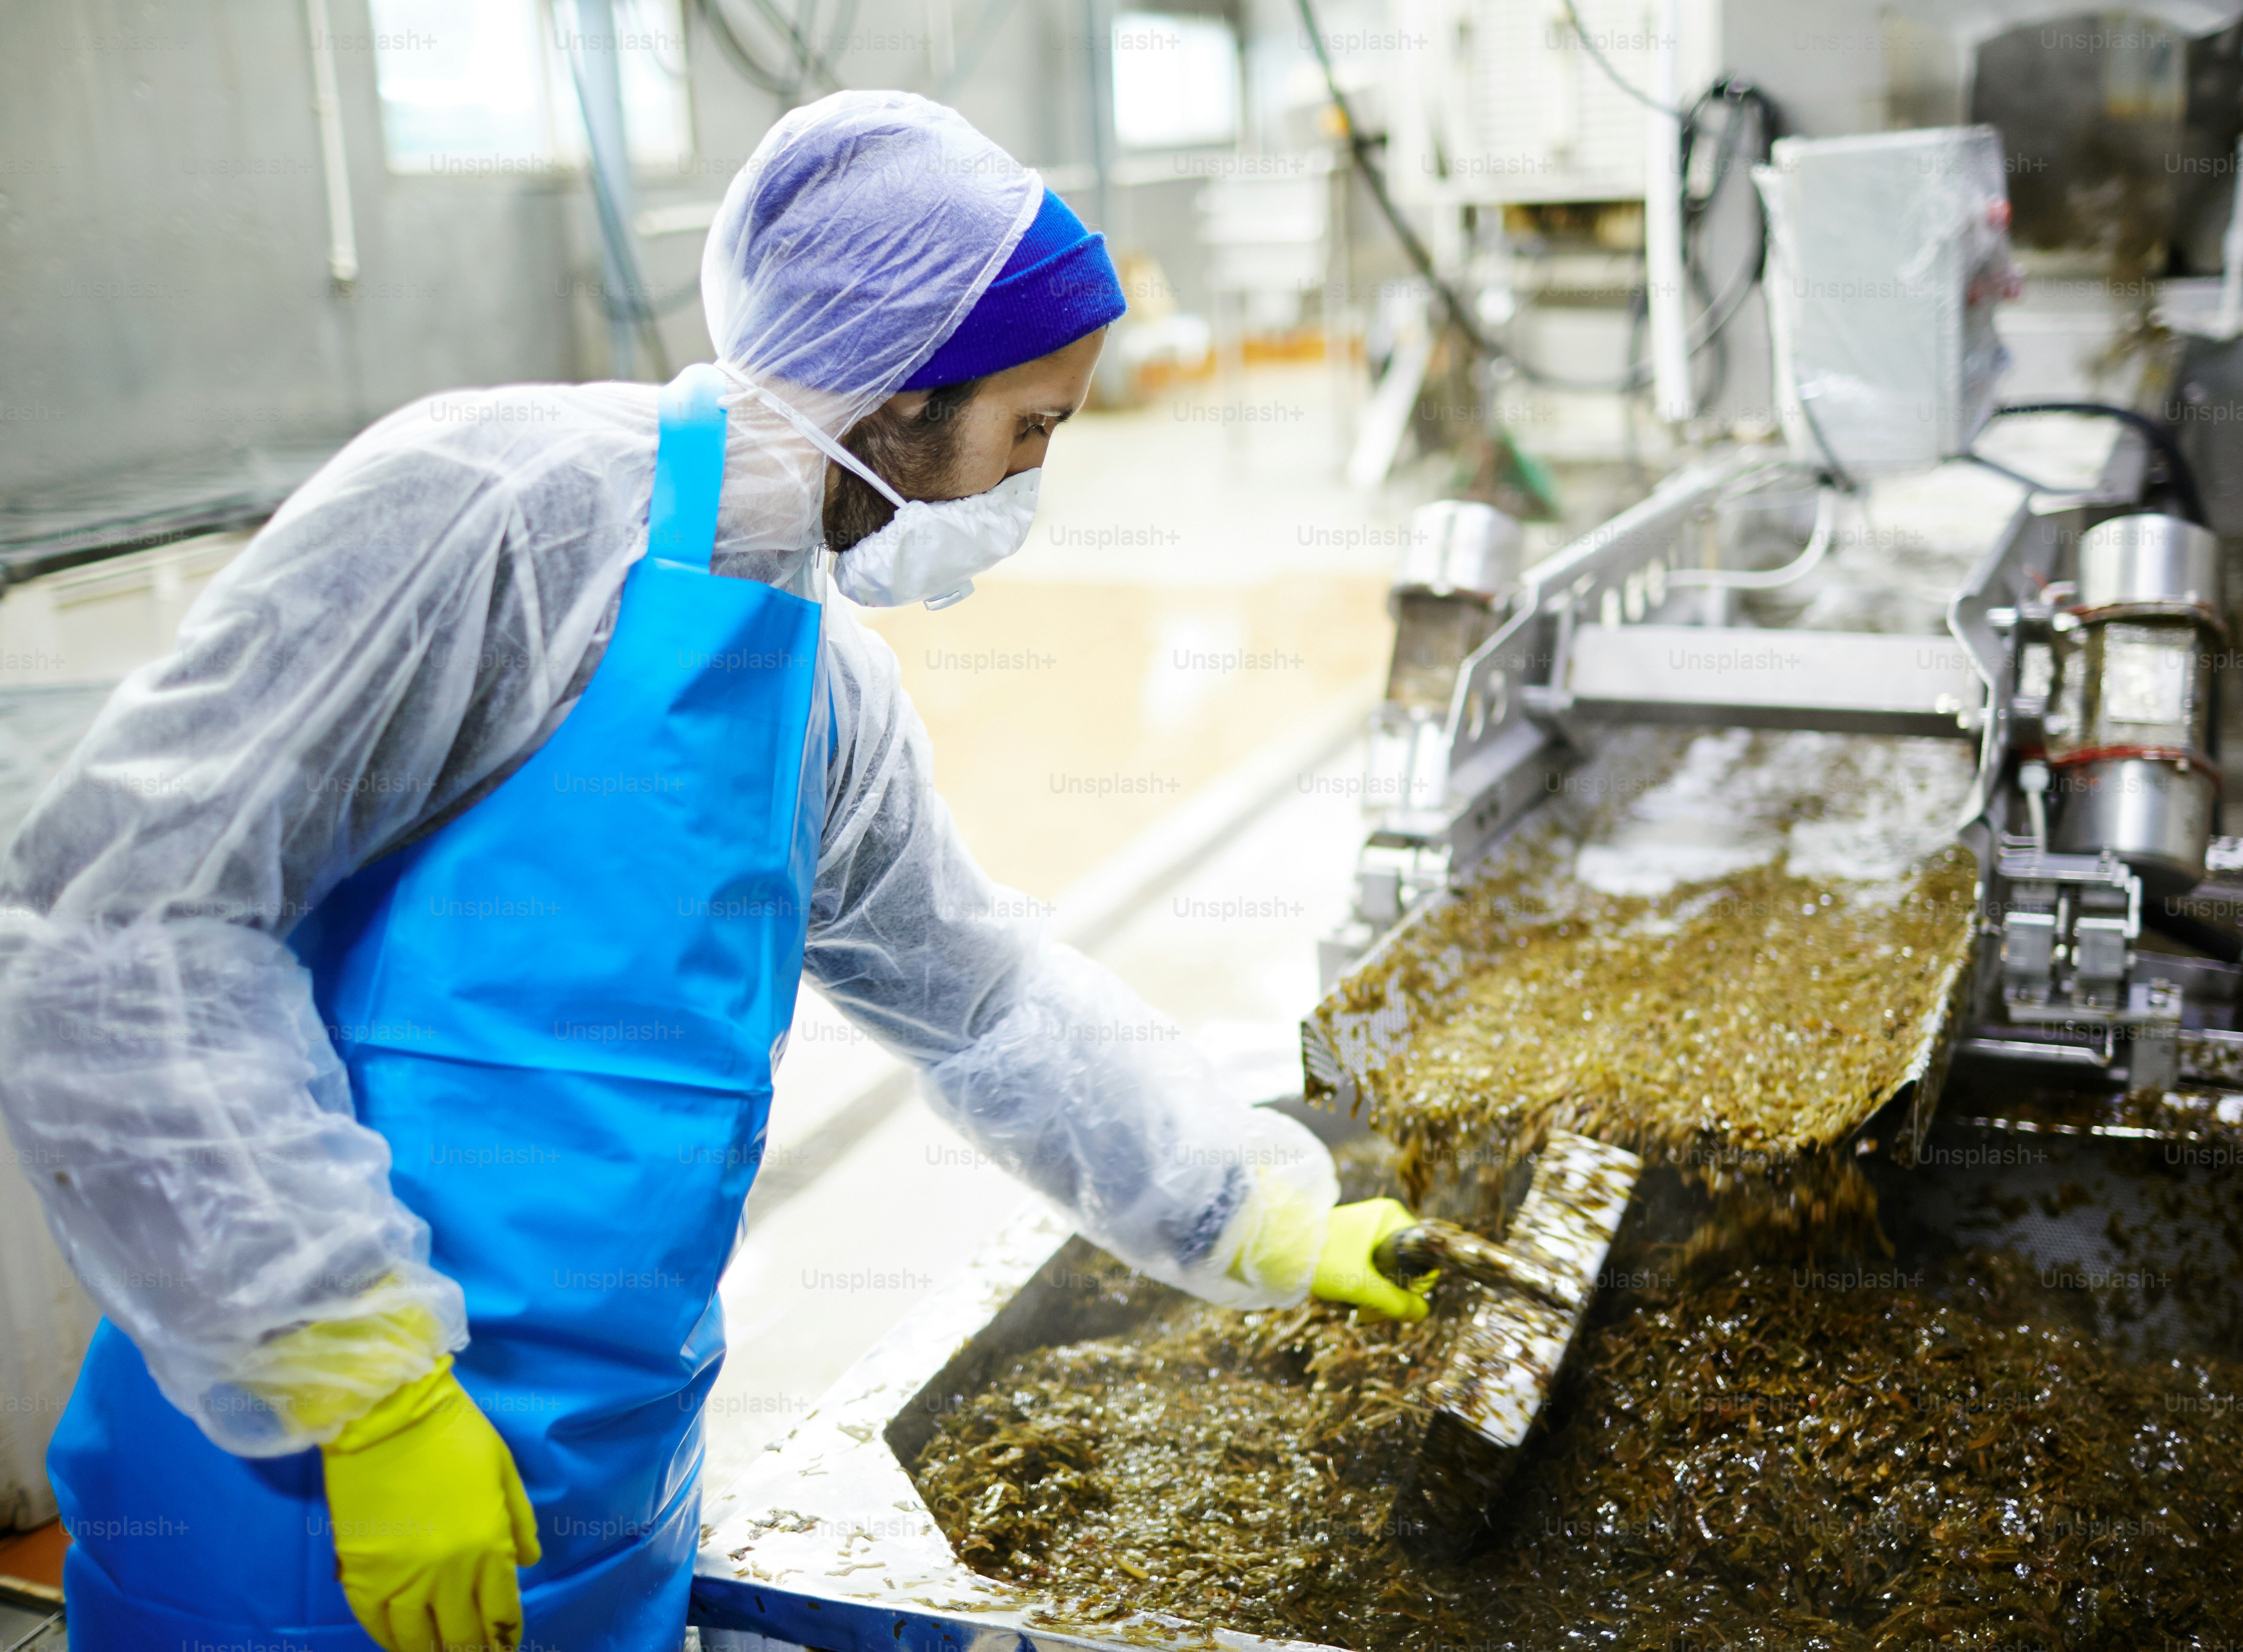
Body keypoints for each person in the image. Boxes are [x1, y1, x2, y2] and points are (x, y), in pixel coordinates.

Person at [0, 92, 1427, 1652]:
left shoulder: (823, 689)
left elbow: (986, 1004)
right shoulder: (502, 515)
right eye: (1033, 429)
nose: (1027, 487)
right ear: (897, 390)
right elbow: (116, 928)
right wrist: (357, 1371)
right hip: (301, 1508)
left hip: (602, 1521)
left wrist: (1252, 1212)